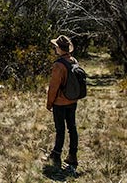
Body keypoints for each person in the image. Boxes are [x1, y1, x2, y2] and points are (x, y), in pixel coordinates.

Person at [46, 35, 78, 168]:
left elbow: (53, 87)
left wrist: (49, 103)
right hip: (72, 100)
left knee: (60, 129)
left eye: (56, 47)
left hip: (60, 102)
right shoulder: (73, 60)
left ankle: (56, 156)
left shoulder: (58, 65)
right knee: (72, 128)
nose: (54, 48)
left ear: (60, 48)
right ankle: (72, 155)